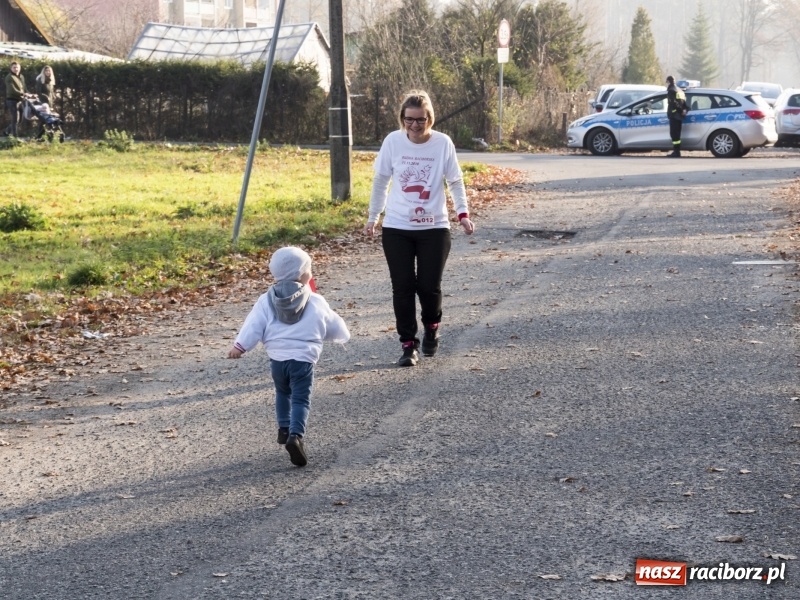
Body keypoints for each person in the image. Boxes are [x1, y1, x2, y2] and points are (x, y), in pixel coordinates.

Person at [364, 90, 475, 367]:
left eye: (420, 120)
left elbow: (455, 181)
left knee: (428, 286)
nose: (414, 125)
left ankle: (432, 328)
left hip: (434, 227)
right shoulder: (393, 141)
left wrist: (462, 213)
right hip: (397, 226)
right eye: (409, 119)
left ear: (430, 119)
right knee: (402, 287)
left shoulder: (442, 144)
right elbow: (381, 181)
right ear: (402, 118)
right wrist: (373, 216)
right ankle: (408, 344)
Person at [227, 246, 350, 467]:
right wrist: (342, 336)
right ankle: (296, 436)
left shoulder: (266, 300)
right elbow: (333, 325)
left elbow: (253, 324)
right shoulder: (315, 301)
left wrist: (240, 346)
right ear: (303, 273)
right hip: (303, 360)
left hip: (278, 360)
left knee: (283, 393)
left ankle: (283, 428)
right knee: (301, 399)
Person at [666, 75, 688, 157]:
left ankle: (676, 152)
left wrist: (680, 110)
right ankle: (677, 151)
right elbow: (684, 103)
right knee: (677, 134)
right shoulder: (680, 91)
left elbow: (673, 103)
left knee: (674, 134)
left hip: (674, 115)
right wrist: (684, 110)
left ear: (668, 82)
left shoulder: (671, 90)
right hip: (680, 116)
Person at [3, 61, 26, 137]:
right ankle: (14, 136)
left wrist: (29, 94)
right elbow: (12, 90)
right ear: (11, 68)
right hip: (12, 100)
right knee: (15, 118)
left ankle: (7, 131)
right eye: (14, 67)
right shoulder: (9, 77)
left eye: (17, 67)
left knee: (20, 120)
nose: (16, 69)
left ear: (20, 68)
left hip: (20, 100)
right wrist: (23, 93)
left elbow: (24, 88)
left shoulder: (21, 76)